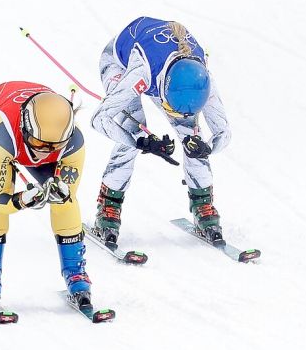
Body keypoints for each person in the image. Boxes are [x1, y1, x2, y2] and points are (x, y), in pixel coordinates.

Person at [90, 17, 232, 245]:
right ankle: (108, 207)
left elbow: (223, 132)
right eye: (169, 108)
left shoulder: (202, 79)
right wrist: (140, 141)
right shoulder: (142, 74)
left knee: (193, 137)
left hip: (166, 71)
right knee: (131, 127)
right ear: (163, 93)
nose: (173, 115)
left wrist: (207, 148)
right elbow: (99, 119)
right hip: (121, 63)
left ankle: (202, 204)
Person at [0, 82, 92, 309]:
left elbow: (66, 194)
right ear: (26, 127)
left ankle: (76, 275)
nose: (44, 151)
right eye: (38, 143)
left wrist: (59, 193)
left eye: (54, 147)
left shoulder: (74, 142)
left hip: (32, 132)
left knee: (64, 200)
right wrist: (21, 200)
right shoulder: (3, 135)